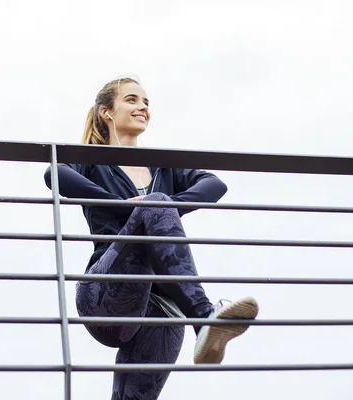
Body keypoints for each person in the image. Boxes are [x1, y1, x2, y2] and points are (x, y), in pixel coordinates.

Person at [44, 77, 259, 400]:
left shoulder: (164, 166)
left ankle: (203, 321)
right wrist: (125, 208)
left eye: (146, 102)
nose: (143, 107)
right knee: (156, 203)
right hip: (108, 292)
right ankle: (203, 317)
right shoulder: (93, 157)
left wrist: (163, 210)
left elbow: (214, 184)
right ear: (106, 112)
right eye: (132, 100)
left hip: (165, 308)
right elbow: (54, 174)